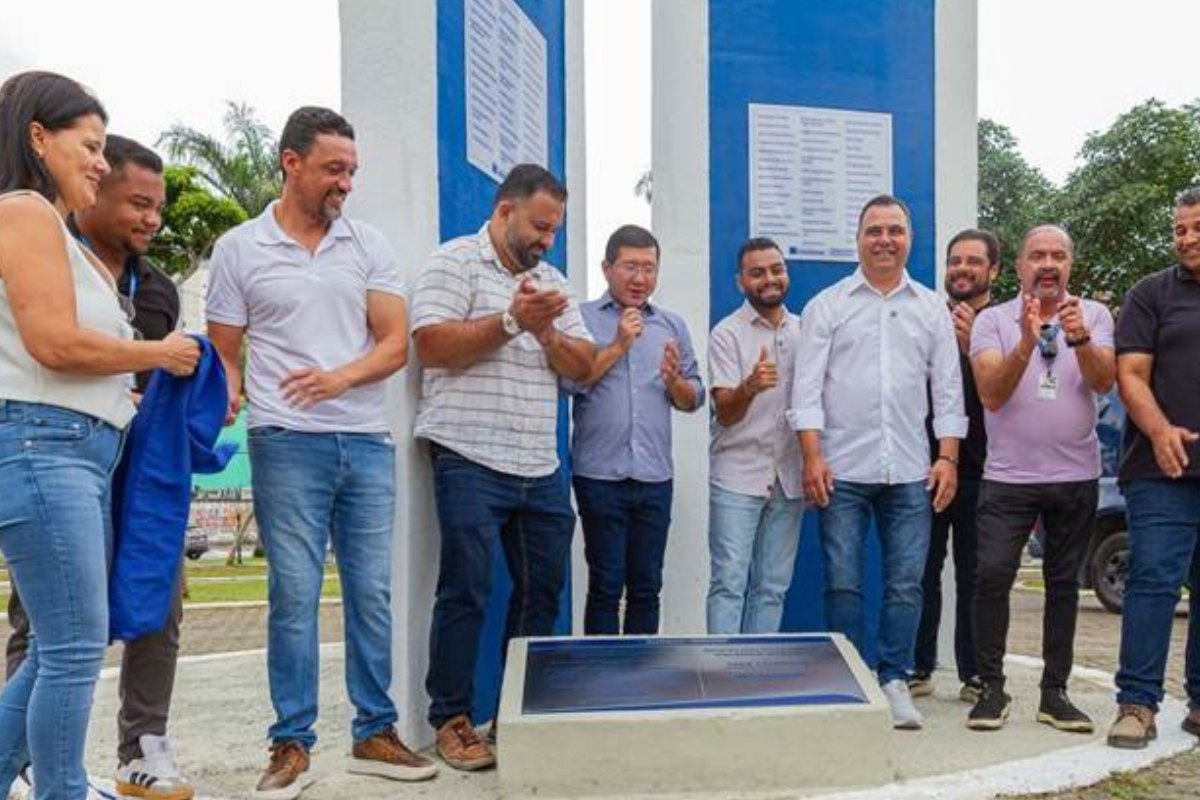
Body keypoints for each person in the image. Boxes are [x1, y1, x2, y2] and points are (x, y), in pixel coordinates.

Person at [206, 106, 433, 800]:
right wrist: (231, 391)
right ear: (291, 162)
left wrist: (339, 378)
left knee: (372, 593)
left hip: (364, 441)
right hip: (283, 442)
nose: (345, 183)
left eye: (352, 171)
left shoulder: (368, 245)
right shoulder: (240, 249)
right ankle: (291, 744)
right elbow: (224, 349)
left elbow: (395, 343)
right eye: (334, 168)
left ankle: (374, 732)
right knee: (294, 596)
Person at [0, 71, 199, 800]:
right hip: (42, 444)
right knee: (74, 647)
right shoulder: (22, 212)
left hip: (73, 449)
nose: (97, 163)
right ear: (37, 138)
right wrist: (159, 353)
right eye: (89, 148)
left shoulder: (53, 232)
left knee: (59, 649)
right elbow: (53, 343)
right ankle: (60, 789)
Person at [412, 163, 594, 771]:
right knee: (466, 586)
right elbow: (433, 345)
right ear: (504, 211)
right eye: (539, 227)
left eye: (554, 231)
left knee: (543, 590)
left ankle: (517, 712)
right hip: (468, 453)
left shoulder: (553, 281)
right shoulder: (453, 263)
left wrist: (544, 334)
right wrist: (514, 320)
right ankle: (452, 718)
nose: (546, 240)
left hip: (539, 464)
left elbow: (584, 367)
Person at [788, 194, 966, 730]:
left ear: (908, 239)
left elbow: (948, 388)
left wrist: (948, 457)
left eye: (895, 230)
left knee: (906, 583)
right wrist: (813, 455)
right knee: (842, 583)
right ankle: (850, 680)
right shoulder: (828, 304)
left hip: (911, 469)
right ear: (858, 238)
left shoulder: (930, 307)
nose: (885, 239)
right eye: (874, 230)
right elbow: (807, 387)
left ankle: (893, 679)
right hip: (841, 468)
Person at [967, 224, 1115, 733]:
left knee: (1063, 586)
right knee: (990, 576)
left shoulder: (1094, 316)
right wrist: (1027, 343)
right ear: (1021, 267)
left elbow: (1103, 381)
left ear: (1069, 264)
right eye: (1037, 255)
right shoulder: (992, 320)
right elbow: (990, 393)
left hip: (1075, 474)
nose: (1048, 264)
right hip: (1008, 478)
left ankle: (1055, 693)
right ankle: (990, 687)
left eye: (1058, 255)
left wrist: (1082, 339)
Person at [566, 224, 703, 635]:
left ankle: (642, 688)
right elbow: (570, 382)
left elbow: (693, 397)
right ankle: (602, 686)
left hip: (654, 475)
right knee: (606, 585)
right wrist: (619, 345)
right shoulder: (582, 319)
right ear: (607, 268)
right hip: (599, 475)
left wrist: (674, 381)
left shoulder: (671, 326)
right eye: (630, 267)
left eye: (649, 268)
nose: (640, 278)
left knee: (647, 587)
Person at [1107, 188, 1200, 749]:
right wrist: (1161, 429)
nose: (1186, 238)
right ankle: (1137, 704)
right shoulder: (1151, 294)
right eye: (1179, 229)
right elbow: (1130, 375)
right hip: (1159, 469)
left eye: (1197, 227)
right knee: (1153, 582)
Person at [908, 229, 1000, 704]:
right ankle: (917, 666)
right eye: (954, 261)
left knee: (975, 575)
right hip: (924, 465)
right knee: (919, 572)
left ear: (993, 271)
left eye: (973, 261)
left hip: (986, 470)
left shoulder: (1007, 323)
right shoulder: (926, 317)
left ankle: (976, 674)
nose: (962, 269)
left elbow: (1013, 393)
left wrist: (972, 349)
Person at [706, 237, 803, 635]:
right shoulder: (727, 334)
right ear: (740, 282)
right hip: (737, 477)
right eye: (757, 272)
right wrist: (748, 386)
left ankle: (757, 680)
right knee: (729, 584)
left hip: (790, 478)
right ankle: (721, 682)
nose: (770, 279)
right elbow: (725, 414)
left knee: (773, 588)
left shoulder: (805, 331)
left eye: (776, 269)